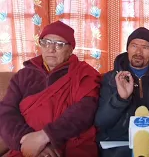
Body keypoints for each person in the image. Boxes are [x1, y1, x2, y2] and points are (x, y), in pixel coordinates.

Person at [0, 21, 101, 157]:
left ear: (71, 49)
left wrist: (46, 136)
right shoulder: (23, 76)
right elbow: (6, 112)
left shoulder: (83, 73)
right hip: (26, 146)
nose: (51, 49)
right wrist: (28, 141)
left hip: (67, 145)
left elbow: (84, 111)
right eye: (46, 42)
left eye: (59, 45)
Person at [95, 27, 149, 157]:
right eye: (134, 46)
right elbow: (101, 122)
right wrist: (121, 99)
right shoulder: (111, 79)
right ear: (127, 49)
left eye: (145, 47)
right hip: (118, 145)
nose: (138, 52)